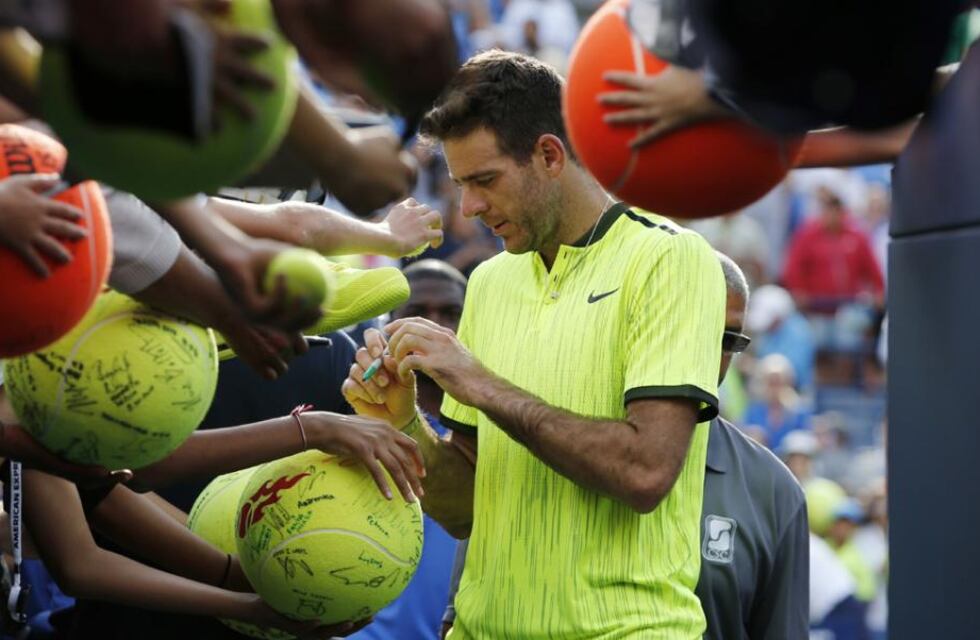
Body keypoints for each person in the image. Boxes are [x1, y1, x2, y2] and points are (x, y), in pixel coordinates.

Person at [343, 50, 726, 638]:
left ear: (549, 155)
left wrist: (479, 383)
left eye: (485, 180)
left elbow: (646, 473)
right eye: (460, 185)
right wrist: (404, 425)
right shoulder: (491, 283)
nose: (468, 208)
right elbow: (469, 510)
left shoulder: (671, 259)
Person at [441, 253, 808, 639]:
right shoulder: (534, 448)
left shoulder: (772, 492)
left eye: (726, 339)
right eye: (687, 328)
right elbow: (459, 619)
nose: (702, 351)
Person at [349, 260, 466, 640]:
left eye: (450, 313)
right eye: (416, 314)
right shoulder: (354, 422)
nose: (433, 326)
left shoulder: (493, 429)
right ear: (385, 328)